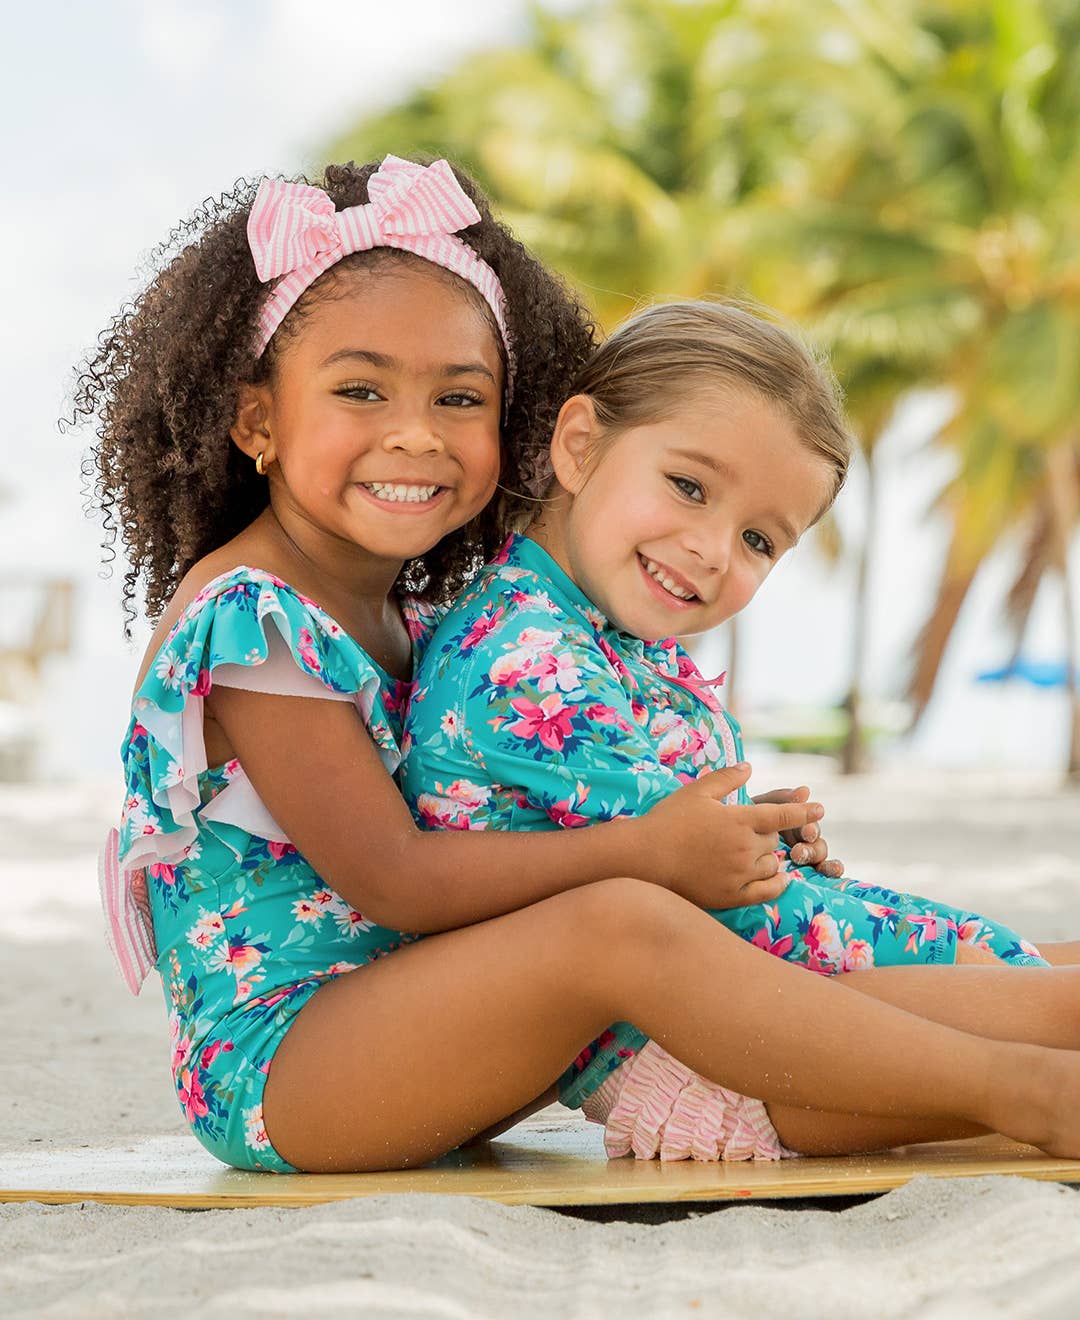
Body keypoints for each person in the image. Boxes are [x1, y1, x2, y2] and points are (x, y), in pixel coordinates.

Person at [78, 156, 1080, 1177]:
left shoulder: (412, 619)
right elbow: (396, 878)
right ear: (256, 423)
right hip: (291, 1073)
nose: (416, 433)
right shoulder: (251, 621)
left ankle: (1013, 1055)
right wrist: (650, 849)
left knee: (720, 965)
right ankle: (1030, 1092)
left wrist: (721, 836)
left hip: (447, 1031)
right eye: (360, 390)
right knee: (620, 923)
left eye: (460, 398)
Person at [401, 298, 1080, 1161]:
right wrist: (978, 957)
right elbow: (743, 932)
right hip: (719, 1058)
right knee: (1055, 998)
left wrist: (760, 842)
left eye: (759, 538)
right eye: (689, 487)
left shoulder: (605, 639)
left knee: (1046, 971)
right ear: (579, 445)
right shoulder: (527, 664)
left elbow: (689, 871)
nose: (715, 549)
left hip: (749, 1021)